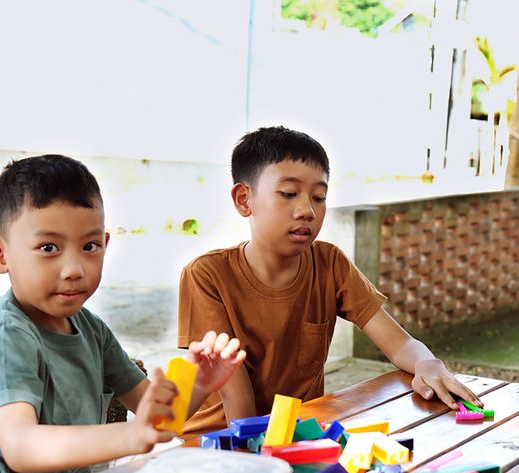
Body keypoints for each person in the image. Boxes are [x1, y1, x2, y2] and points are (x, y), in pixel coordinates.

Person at [0, 155, 246, 473]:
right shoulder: (4, 336)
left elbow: (156, 419)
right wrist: (131, 435)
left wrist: (200, 385)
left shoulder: (92, 330)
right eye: (49, 247)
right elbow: (21, 445)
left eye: (89, 246)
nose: (74, 269)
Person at [177, 126, 482, 434]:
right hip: (221, 445)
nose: (307, 210)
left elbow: (399, 343)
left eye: (319, 197)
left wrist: (427, 364)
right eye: (288, 194)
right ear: (244, 199)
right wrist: (258, 462)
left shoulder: (330, 264)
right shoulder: (207, 275)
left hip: (302, 437)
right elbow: (236, 399)